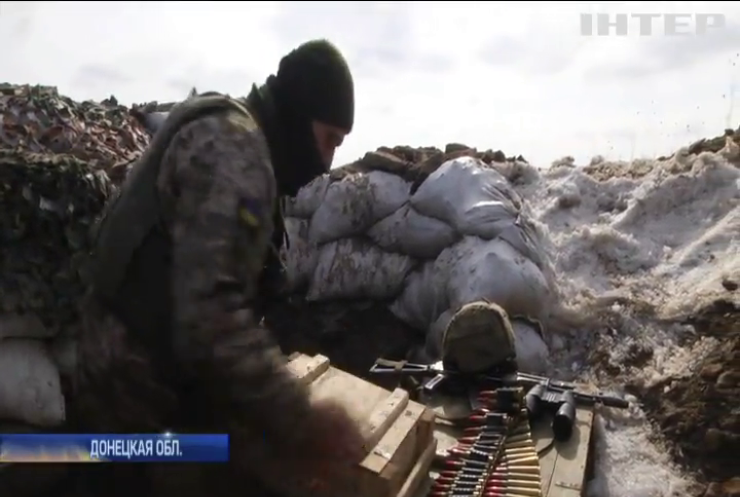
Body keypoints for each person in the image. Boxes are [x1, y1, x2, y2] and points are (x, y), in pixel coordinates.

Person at [72, 39, 364, 497]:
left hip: (137, 367)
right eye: (328, 140)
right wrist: (303, 422)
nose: (326, 162)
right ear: (298, 113)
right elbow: (211, 323)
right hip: (136, 391)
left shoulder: (230, 129)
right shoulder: (236, 154)